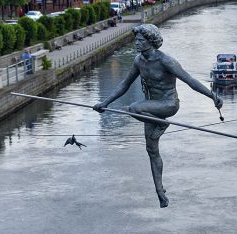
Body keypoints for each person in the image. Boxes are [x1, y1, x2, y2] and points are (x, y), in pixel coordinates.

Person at [93, 24, 223, 208]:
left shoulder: (166, 61)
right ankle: (160, 192)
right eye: (136, 39)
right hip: (150, 108)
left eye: (141, 40)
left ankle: (162, 124)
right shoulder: (139, 61)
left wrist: (213, 96)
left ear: (151, 41)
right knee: (151, 150)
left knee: (133, 108)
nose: (136, 42)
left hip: (167, 105)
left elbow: (190, 81)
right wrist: (105, 103)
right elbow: (124, 84)